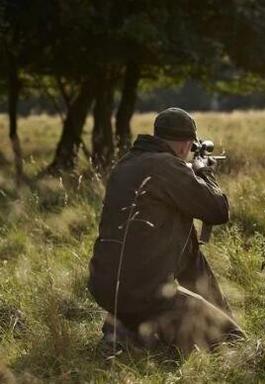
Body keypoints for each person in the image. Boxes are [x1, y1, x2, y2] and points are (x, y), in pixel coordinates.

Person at [88, 107, 245, 355]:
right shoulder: (168, 166)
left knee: (187, 252)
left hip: (105, 286)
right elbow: (218, 210)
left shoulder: (126, 163)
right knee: (234, 342)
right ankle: (137, 335)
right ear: (185, 146)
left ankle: (124, 330)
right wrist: (204, 173)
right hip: (145, 290)